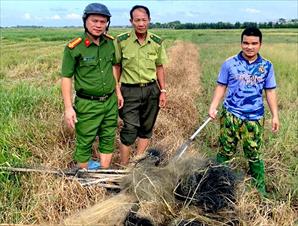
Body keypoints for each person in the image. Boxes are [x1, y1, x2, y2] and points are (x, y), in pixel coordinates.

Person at [208, 27, 279, 195]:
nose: (250, 47)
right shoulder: (229, 63)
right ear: (241, 43)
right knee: (225, 151)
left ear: (260, 44)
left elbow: (270, 91)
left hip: (254, 117)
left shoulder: (266, 66)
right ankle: (218, 185)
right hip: (231, 114)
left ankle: (260, 190)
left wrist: (275, 115)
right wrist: (213, 106)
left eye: (254, 43)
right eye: (246, 43)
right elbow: (221, 86)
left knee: (254, 154)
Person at [61, 3, 123, 169]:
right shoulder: (74, 47)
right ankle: (84, 176)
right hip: (87, 103)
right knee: (85, 140)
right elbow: (66, 78)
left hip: (110, 101)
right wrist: (68, 108)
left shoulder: (111, 43)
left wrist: (118, 92)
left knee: (108, 136)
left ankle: (103, 173)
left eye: (103, 22)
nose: (98, 25)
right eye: (94, 21)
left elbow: (113, 68)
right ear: (85, 21)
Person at [114, 5, 168, 166]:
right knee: (129, 129)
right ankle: (124, 167)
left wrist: (163, 90)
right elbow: (116, 66)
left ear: (149, 21)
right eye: (137, 20)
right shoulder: (122, 41)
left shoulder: (156, 42)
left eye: (144, 20)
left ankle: (136, 165)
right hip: (129, 90)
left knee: (146, 128)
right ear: (131, 21)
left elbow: (159, 67)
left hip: (152, 90)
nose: (141, 23)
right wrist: (117, 90)